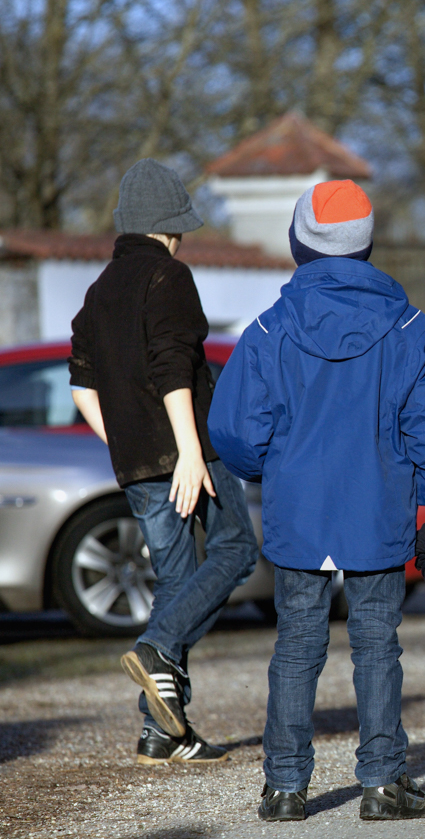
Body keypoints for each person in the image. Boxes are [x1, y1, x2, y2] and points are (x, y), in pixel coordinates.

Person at [208, 180, 425, 822]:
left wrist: (274, 468)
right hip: (376, 510)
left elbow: (236, 429)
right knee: (377, 642)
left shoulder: (269, 328)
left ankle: (285, 788)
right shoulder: (411, 327)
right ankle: (382, 783)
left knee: (297, 644)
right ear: (366, 244)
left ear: (301, 242)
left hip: (299, 512)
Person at [69, 159, 260, 765]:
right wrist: (186, 453)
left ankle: (161, 731)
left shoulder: (98, 290)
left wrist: (121, 444)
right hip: (190, 452)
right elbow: (174, 368)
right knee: (235, 549)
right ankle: (156, 647)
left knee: (177, 582)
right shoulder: (168, 276)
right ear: (169, 227)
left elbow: (81, 387)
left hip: (135, 465)